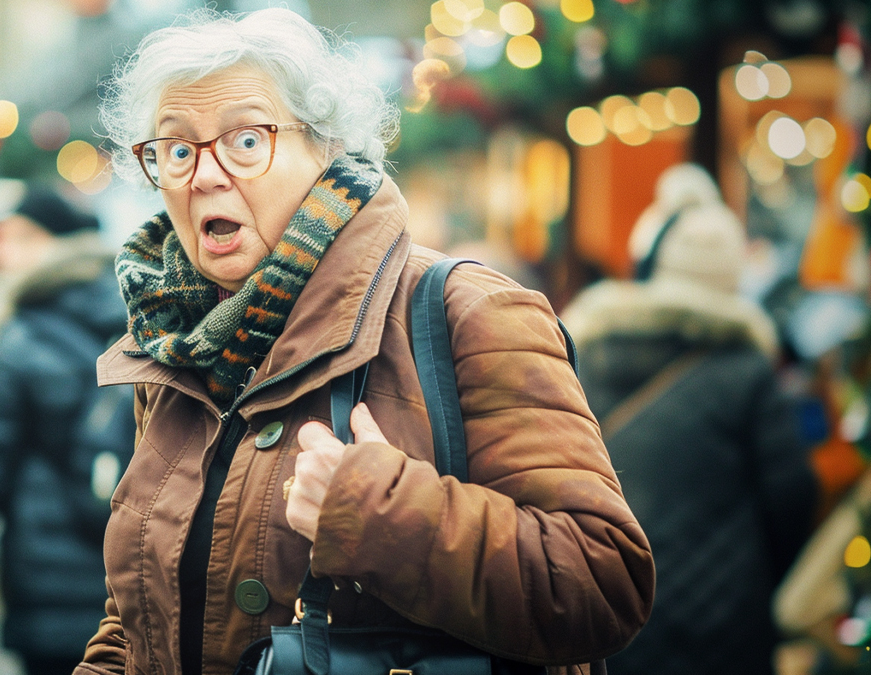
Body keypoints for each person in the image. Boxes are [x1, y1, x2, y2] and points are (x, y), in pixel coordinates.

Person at [79, 9, 656, 675]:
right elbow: (135, 624)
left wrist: (380, 513)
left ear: (326, 150)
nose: (202, 174)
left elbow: (604, 583)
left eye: (244, 140)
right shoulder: (173, 345)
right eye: (176, 148)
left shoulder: (472, 310)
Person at [560, 163, 819, 675]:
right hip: (724, 627)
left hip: (606, 607)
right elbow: (792, 497)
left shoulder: (591, 349)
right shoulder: (747, 371)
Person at [0, 186, 135, 675]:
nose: (4, 253)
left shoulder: (19, 336)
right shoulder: (138, 318)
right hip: (132, 579)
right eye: (2, 240)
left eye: (23, 239)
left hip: (43, 585)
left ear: (64, 245)